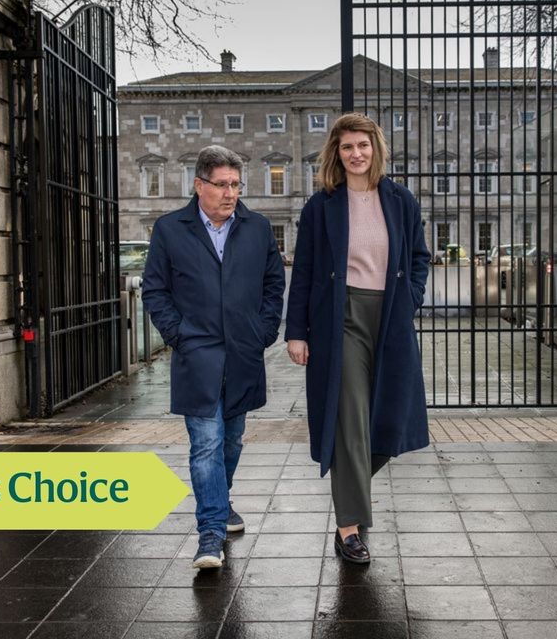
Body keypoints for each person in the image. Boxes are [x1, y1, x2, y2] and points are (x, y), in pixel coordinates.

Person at [285, 113, 430, 563]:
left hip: (389, 315)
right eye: (347, 147)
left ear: (376, 148)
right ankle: (349, 528)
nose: (356, 154)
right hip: (338, 318)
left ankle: (351, 491)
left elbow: (420, 257)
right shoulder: (320, 206)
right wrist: (295, 332)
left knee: (389, 420)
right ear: (336, 152)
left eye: (363, 145)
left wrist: (409, 298)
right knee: (350, 419)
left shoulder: (400, 200)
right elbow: (305, 271)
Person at [142, 145, 285, 569]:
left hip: (243, 352)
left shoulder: (257, 228)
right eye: (221, 185)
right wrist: (179, 335)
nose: (230, 193)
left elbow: (274, 283)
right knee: (206, 442)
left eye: (236, 185)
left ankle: (220, 503)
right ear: (198, 185)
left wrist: (263, 331)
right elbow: (155, 290)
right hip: (198, 354)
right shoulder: (170, 229)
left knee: (233, 438)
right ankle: (210, 532)